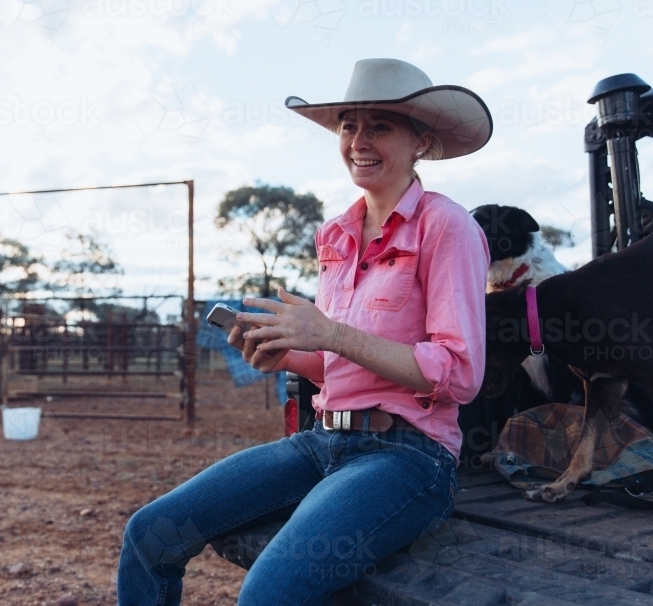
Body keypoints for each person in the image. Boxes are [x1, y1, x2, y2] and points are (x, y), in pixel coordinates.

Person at [117, 58, 492, 605]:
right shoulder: (337, 235)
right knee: (149, 535)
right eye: (348, 125)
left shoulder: (447, 226)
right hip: (322, 440)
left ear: (420, 142)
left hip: (407, 456)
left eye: (380, 125)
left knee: (269, 592)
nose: (358, 140)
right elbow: (335, 364)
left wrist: (331, 333)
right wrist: (283, 355)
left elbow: (459, 375)